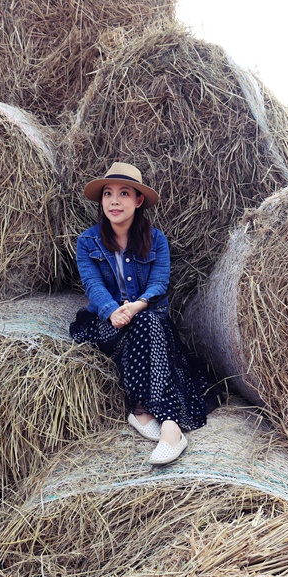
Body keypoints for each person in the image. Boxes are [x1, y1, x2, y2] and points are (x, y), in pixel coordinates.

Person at [70, 162, 212, 465]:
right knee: (151, 333)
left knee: (147, 323)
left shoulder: (156, 239)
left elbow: (160, 282)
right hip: (105, 325)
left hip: (144, 316)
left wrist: (137, 305)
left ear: (138, 201)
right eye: (107, 194)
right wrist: (112, 312)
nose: (114, 201)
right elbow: (92, 284)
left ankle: (153, 417)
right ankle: (167, 422)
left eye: (124, 193)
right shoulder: (87, 241)